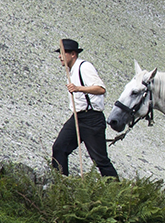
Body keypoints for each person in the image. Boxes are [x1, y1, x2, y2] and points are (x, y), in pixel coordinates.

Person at [51, 39, 119, 179]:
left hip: (92, 117)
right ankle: (60, 184)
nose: (59, 56)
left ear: (73, 54)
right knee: (59, 147)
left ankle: (117, 190)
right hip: (77, 116)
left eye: (63, 53)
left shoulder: (84, 67)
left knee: (100, 160)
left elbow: (101, 89)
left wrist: (78, 88)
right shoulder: (71, 70)